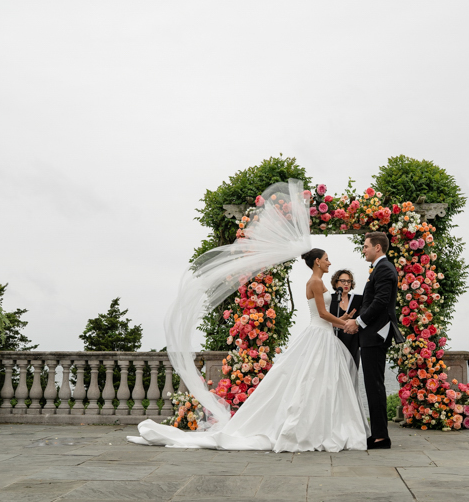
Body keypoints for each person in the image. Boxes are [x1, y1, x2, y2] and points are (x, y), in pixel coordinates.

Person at [127, 179, 370, 452]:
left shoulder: (323, 283)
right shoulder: (314, 283)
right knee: (311, 382)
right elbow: (324, 314)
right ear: (316, 261)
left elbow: (328, 310)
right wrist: (347, 323)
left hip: (324, 336)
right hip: (320, 333)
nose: (329, 262)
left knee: (321, 385)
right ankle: (306, 428)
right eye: (326, 258)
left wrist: (348, 317)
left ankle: (323, 424)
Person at [345, 232, 405, 450]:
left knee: (374, 384)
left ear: (377, 248)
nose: (363, 249)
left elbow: (380, 302)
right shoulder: (380, 269)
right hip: (372, 335)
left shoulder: (385, 269)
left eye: (366, 246)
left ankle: (381, 437)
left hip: (376, 335)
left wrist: (358, 322)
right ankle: (379, 434)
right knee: (372, 384)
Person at [329, 269, 362, 367]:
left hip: (352, 341)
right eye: (343, 281)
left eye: (349, 281)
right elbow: (325, 321)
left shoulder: (357, 300)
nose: (346, 284)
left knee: (351, 372)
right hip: (334, 341)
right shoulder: (330, 299)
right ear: (336, 283)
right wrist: (344, 318)